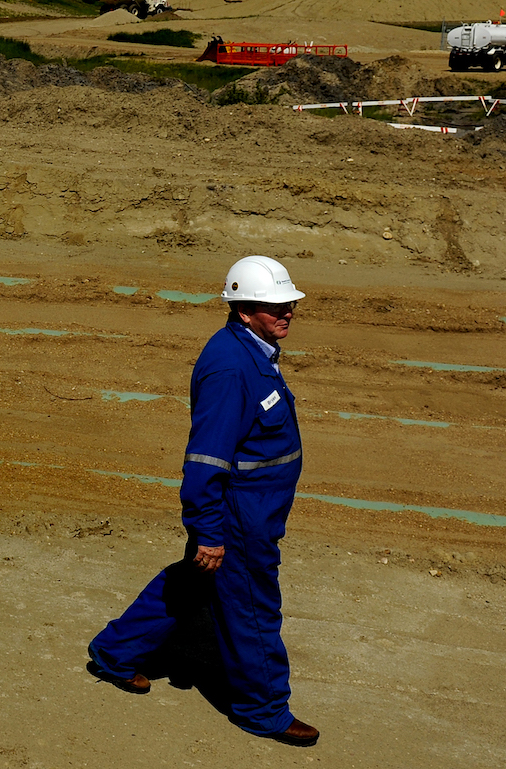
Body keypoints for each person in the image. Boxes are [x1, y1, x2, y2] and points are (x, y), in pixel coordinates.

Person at [85, 255, 318, 747]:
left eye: (289, 303)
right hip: (238, 516)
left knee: (194, 585)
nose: (287, 312)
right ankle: (264, 710)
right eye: (274, 305)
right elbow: (205, 463)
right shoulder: (231, 368)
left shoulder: (254, 350)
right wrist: (211, 531)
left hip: (250, 511)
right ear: (243, 308)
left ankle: (115, 653)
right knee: (253, 606)